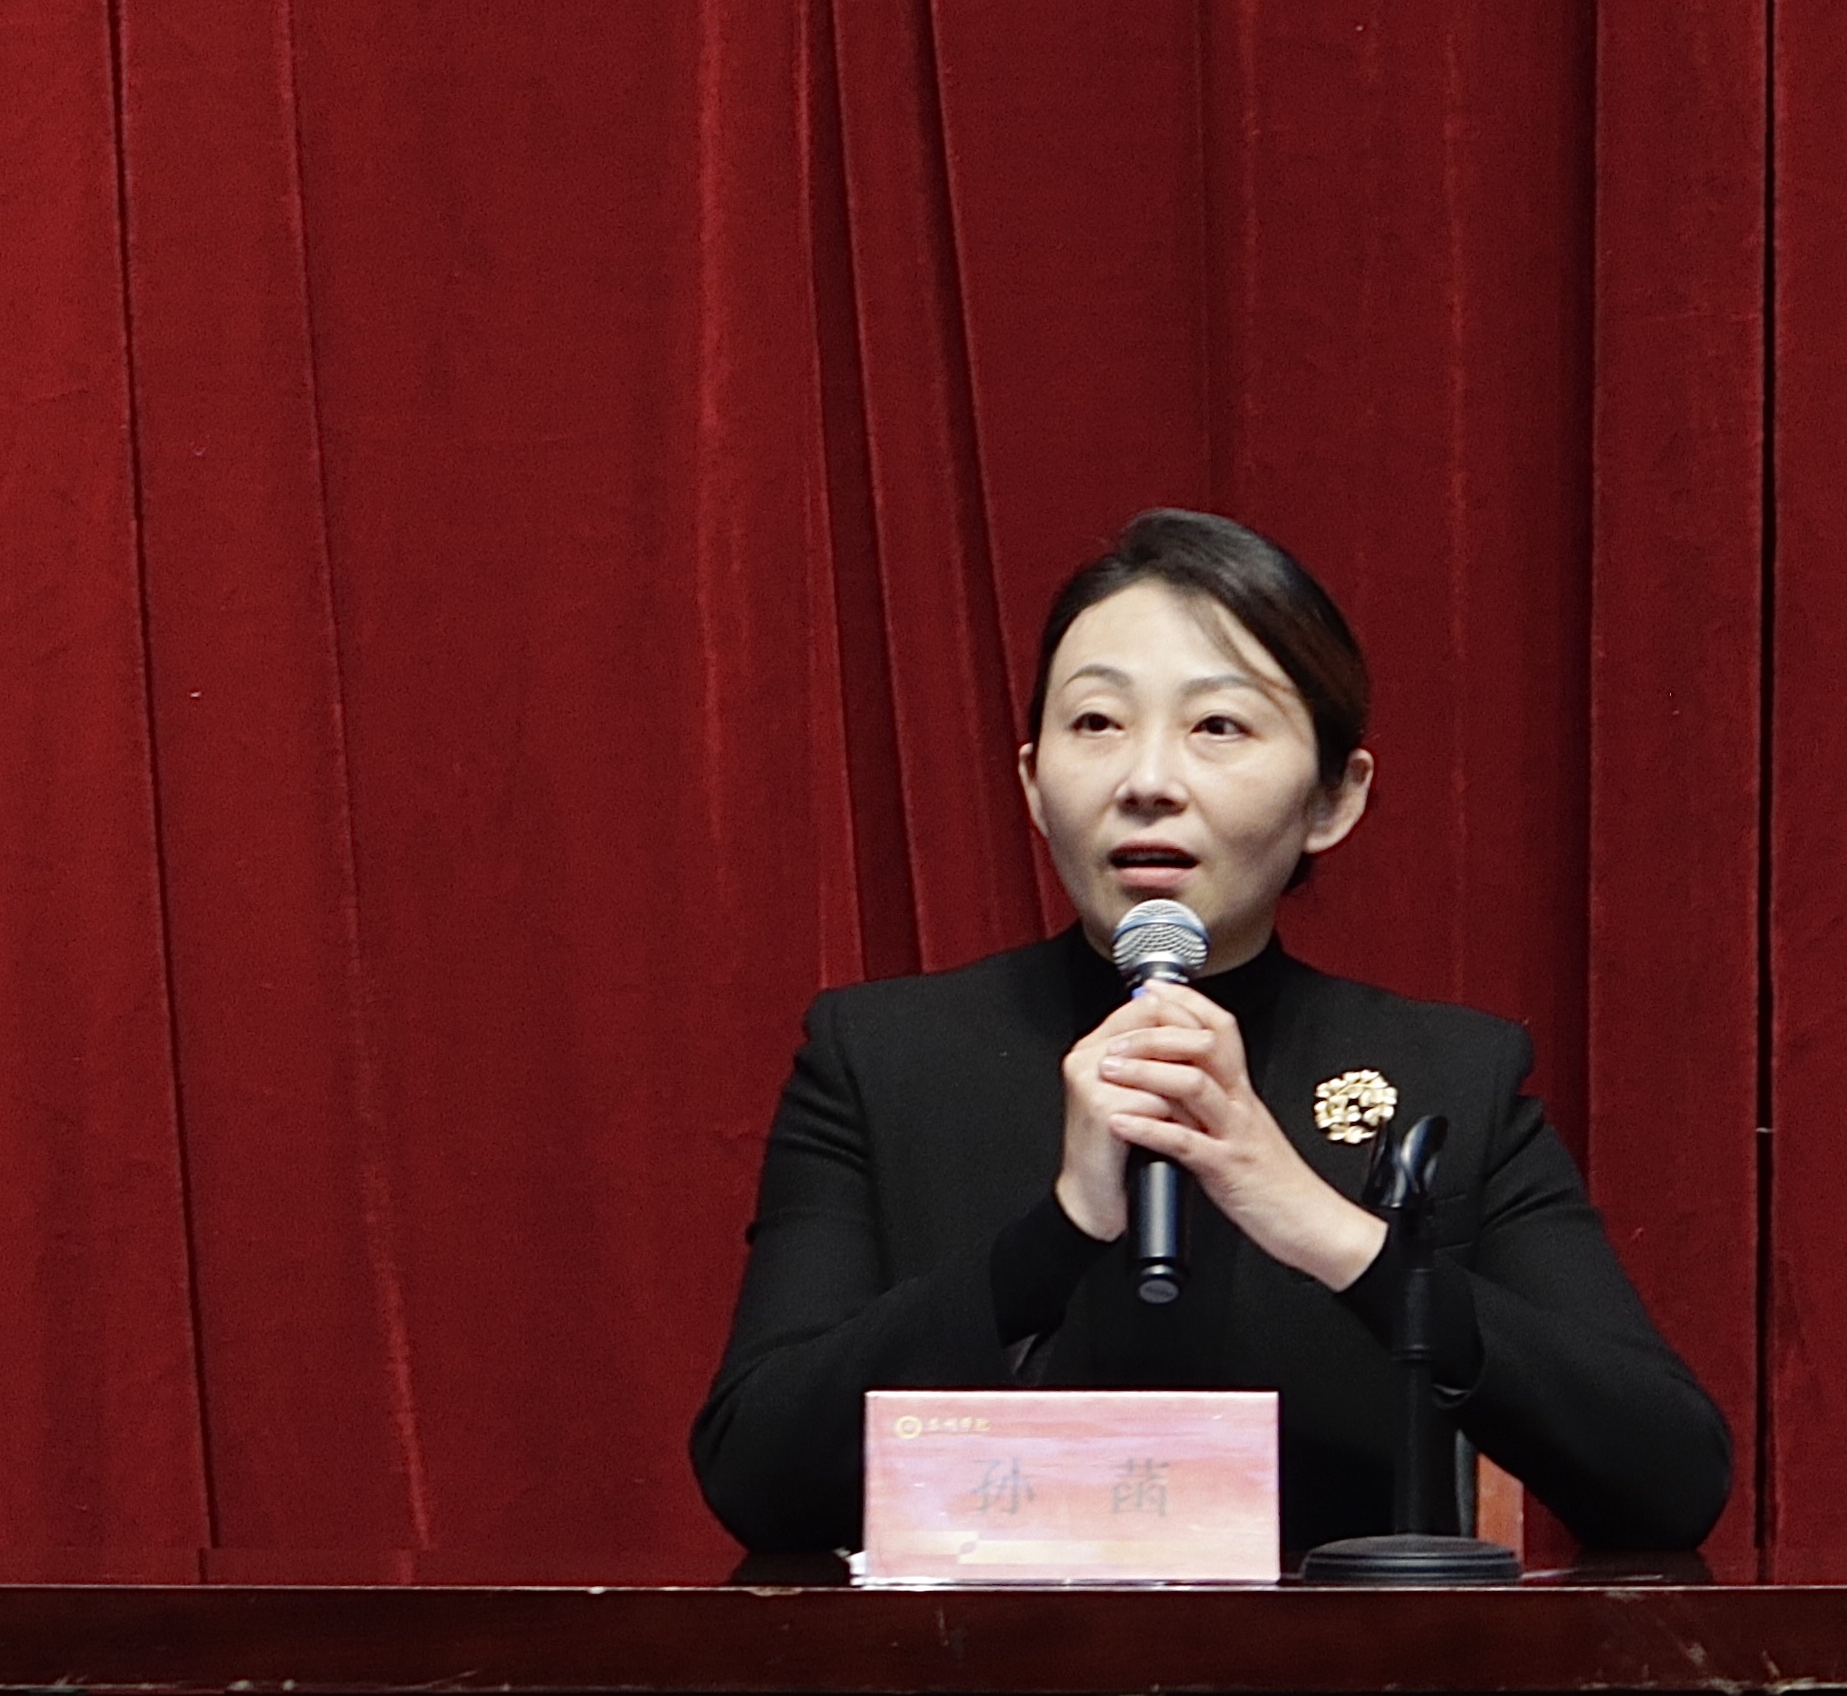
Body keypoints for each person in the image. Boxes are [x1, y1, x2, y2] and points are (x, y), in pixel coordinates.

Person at [694, 509, 1731, 1555]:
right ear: (1033, 784)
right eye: (1097, 722)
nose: (1147, 780)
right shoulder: (883, 1057)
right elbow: (758, 1475)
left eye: (1218, 726)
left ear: (1333, 799)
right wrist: (1058, 1233)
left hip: (1331, 1664)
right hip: (979, 1662)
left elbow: (1670, 1481)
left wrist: (1324, 1228)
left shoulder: (1448, 1078)